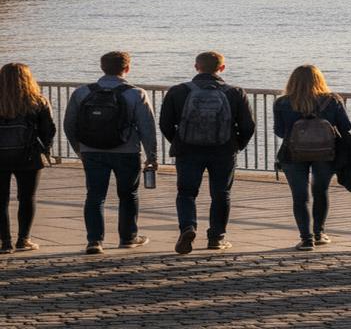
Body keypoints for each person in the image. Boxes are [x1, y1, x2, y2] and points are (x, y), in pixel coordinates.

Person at [160, 51, 255, 254]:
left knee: (186, 192)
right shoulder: (235, 92)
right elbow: (248, 126)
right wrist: (236, 145)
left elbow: (165, 124)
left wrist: (179, 141)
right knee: (221, 193)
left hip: (187, 150)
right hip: (223, 150)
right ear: (222, 68)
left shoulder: (178, 91)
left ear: (196, 67)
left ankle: (187, 227)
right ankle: (216, 238)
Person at [63, 51, 158, 255]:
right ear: (127, 68)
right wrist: (152, 156)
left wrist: (79, 150)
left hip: (92, 151)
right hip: (127, 151)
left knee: (95, 196)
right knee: (128, 194)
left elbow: (69, 125)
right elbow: (146, 128)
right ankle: (128, 237)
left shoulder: (81, 93)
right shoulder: (135, 93)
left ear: (102, 67)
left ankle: (95, 241)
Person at [273, 64, 351, 251]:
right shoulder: (332, 101)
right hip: (326, 153)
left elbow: (279, 131)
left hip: (293, 154)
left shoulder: (282, 102)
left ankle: (306, 239)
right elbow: (346, 126)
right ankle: (319, 233)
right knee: (320, 191)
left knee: (300, 197)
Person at [0, 63, 56, 253]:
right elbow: (48, 130)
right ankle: (23, 240)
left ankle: (5, 243)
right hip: (29, 157)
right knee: (27, 198)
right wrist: (45, 148)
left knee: (1, 200)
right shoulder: (37, 101)